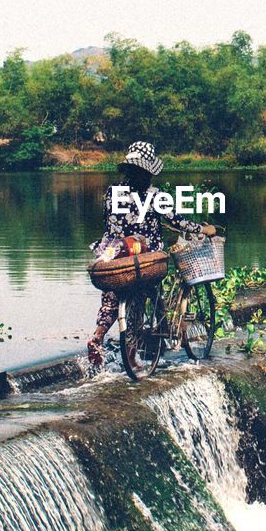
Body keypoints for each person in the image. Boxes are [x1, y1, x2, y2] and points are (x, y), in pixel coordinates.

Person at [88, 141, 216, 366]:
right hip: (142, 256)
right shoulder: (155, 196)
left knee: (111, 300)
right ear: (147, 172)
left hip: (112, 254)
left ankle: (97, 336)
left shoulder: (111, 193)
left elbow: (111, 223)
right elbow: (177, 221)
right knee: (144, 295)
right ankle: (136, 353)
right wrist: (203, 229)